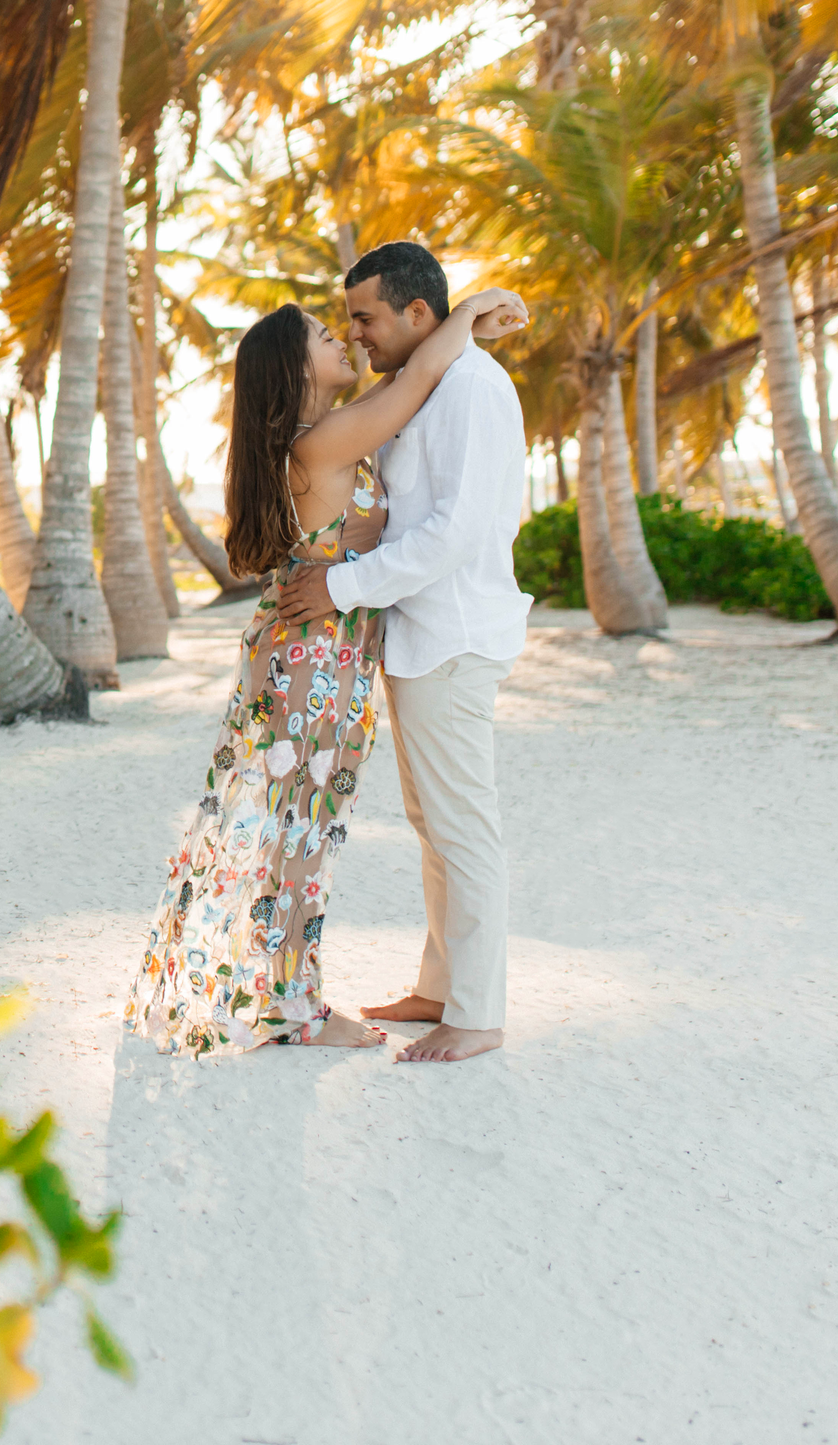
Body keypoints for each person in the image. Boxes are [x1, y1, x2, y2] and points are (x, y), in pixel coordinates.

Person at [123, 269, 525, 1056]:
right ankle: (295, 1007)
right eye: (324, 332)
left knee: (298, 833)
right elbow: (416, 379)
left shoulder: (328, 436)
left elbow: (414, 395)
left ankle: (285, 996)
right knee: (298, 839)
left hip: (325, 664)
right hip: (313, 669)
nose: (343, 335)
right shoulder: (322, 441)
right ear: (294, 368)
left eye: (351, 320)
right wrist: (471, 310)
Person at [271, 241, 533, 1065]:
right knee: (434, 824)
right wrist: (368, 534)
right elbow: (419, 509)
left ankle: (478, 1014)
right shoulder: (430, 383)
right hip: (421, 636)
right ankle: (443, 986)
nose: (355, 335)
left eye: (365, 316)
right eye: (346, 320)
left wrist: (345, 587)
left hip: (452, 633)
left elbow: (459, 532)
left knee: (463, 828)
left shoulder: (468, 388)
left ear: (419, 314)